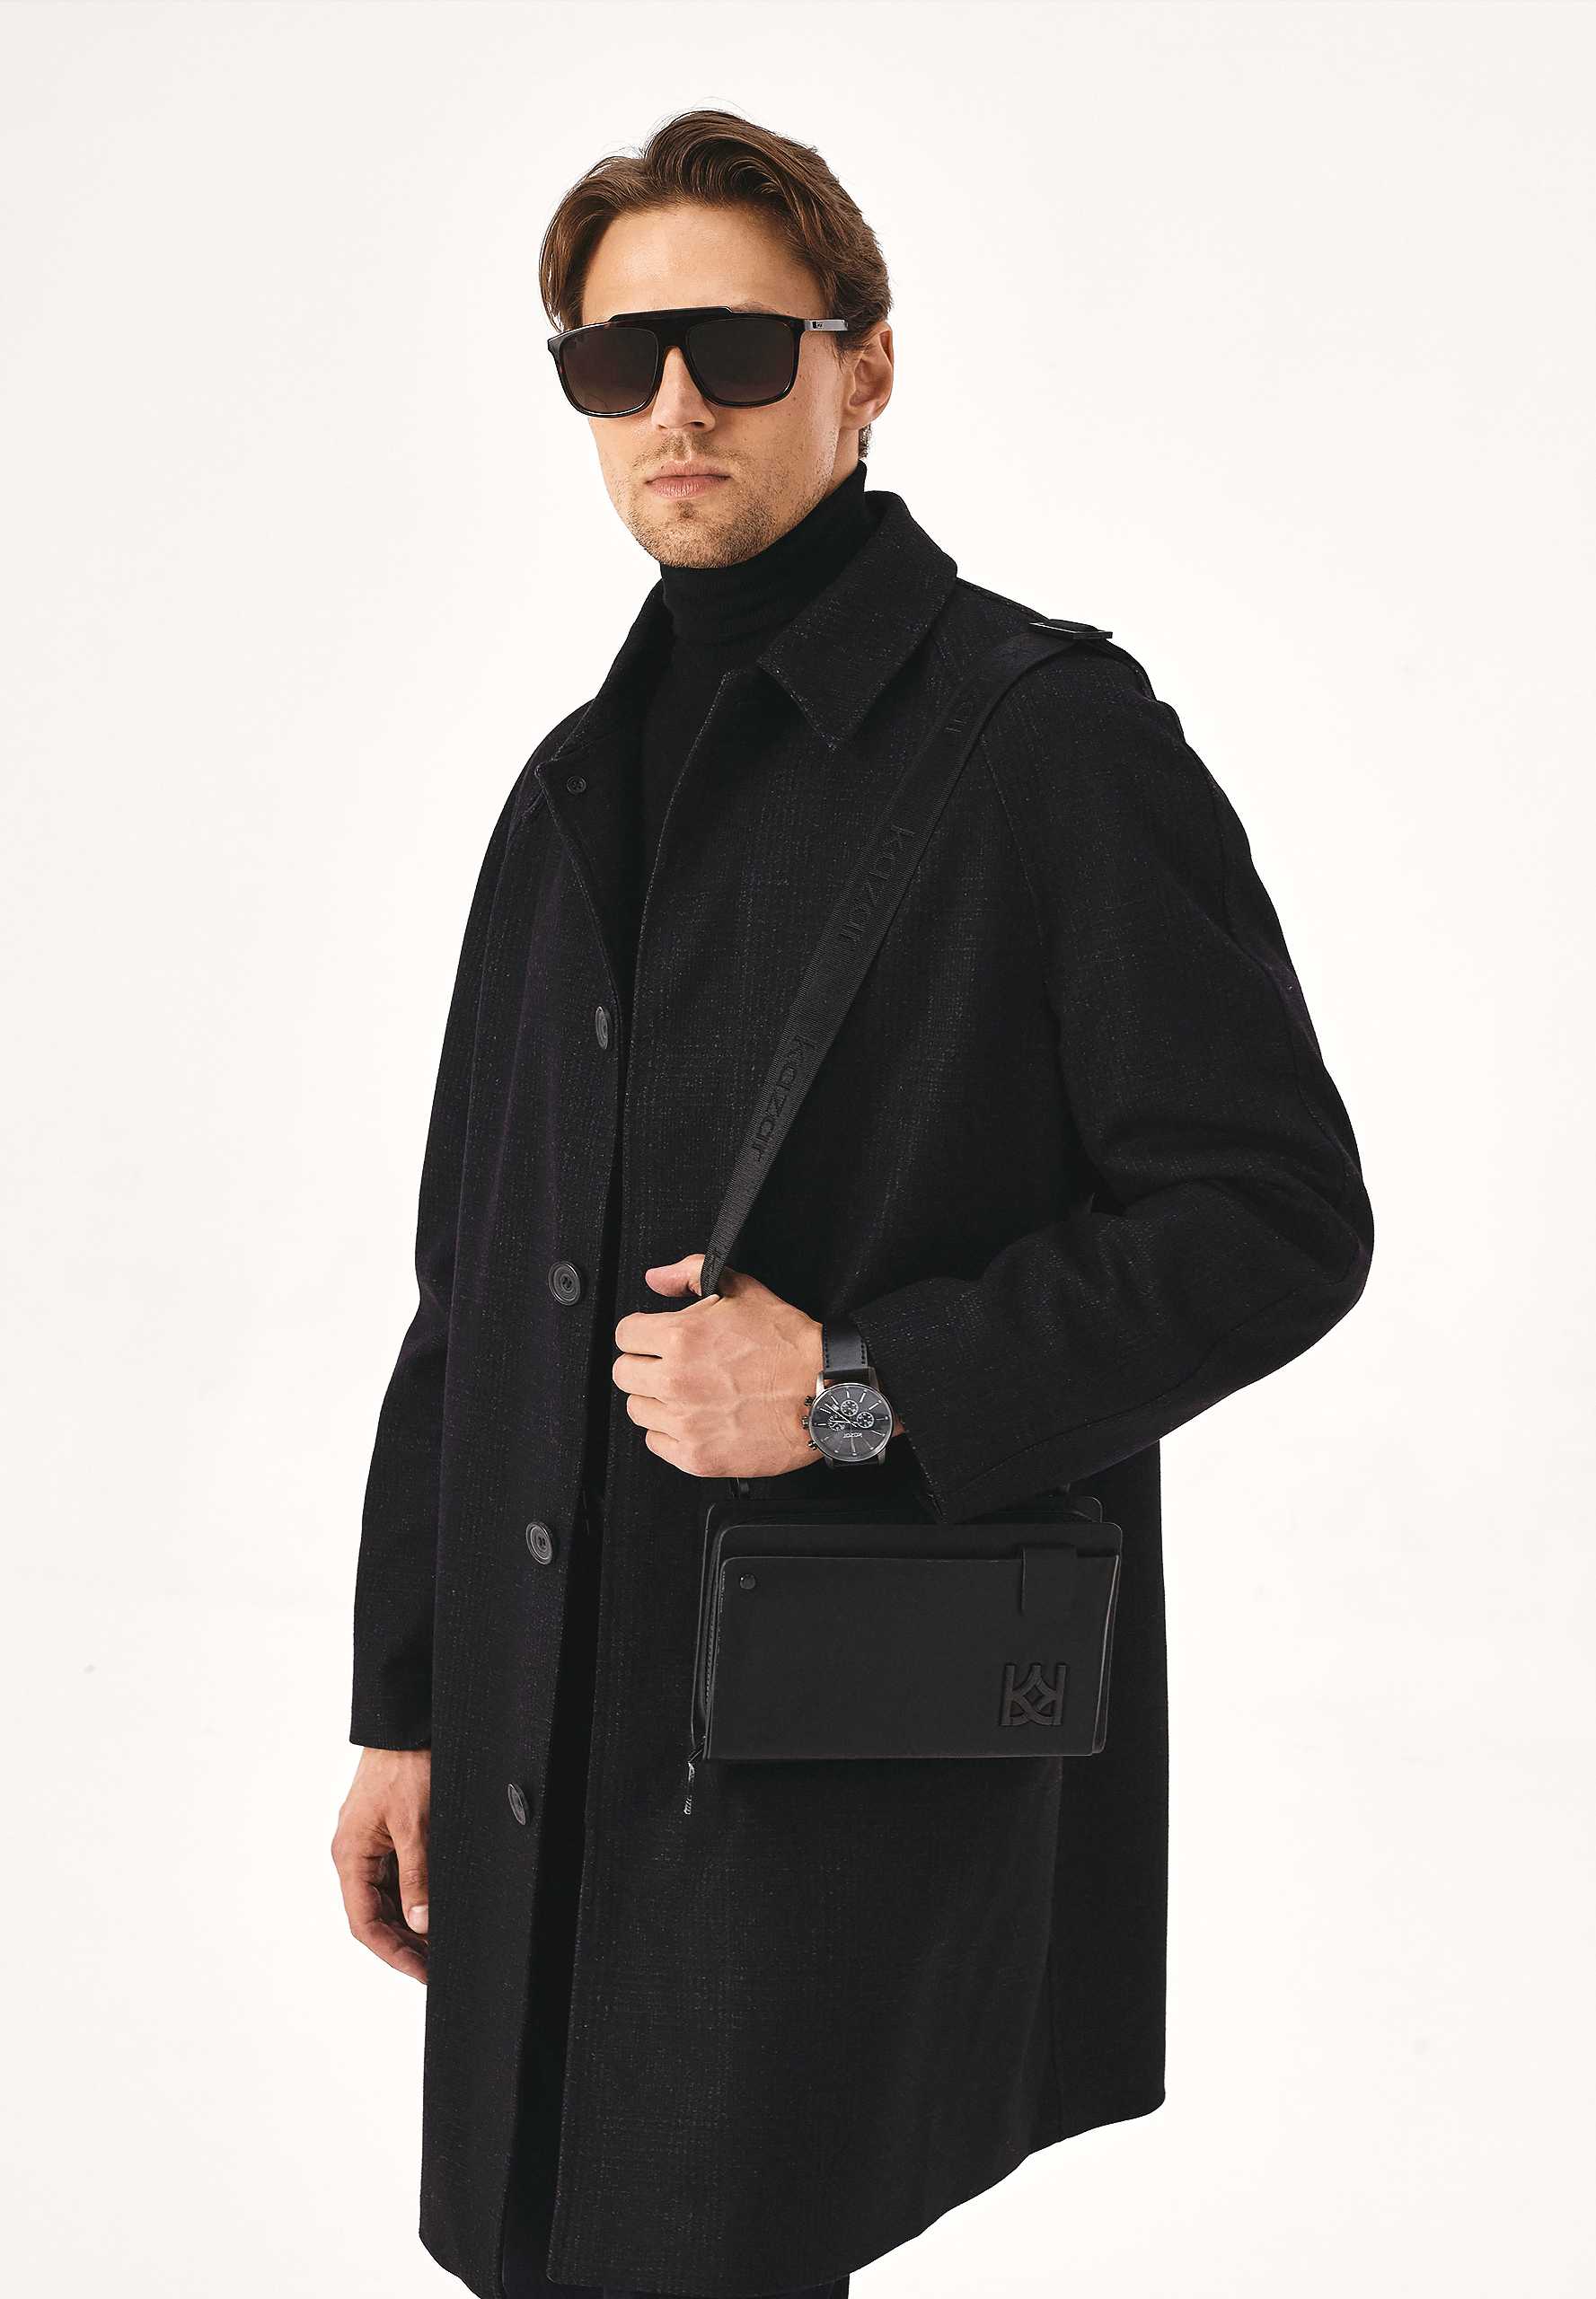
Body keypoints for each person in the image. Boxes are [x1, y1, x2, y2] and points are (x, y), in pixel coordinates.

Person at [331, 106, 1374, 2299]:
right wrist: (405, 1700)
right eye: (611, 363)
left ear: (862, 365)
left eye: (731, 345)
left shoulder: (1043, 741)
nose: (672, 407)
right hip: (539, 1739)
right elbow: (468, 1289)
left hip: (829, 1747)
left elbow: (1273, 1216)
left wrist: (850, 1384)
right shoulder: (564, 791)